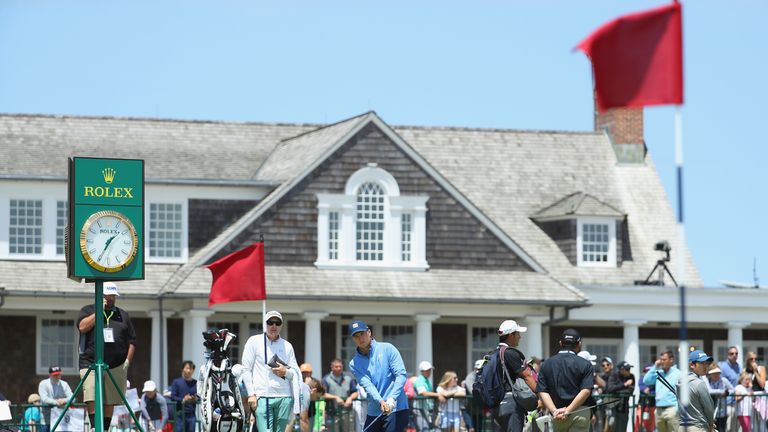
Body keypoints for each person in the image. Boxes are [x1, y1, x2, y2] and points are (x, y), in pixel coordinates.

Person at [76, 281, 136, 432]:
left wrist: (127, 361)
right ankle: (95, 427)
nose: (110, 299)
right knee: (91, 394)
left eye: (113, 296)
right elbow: (82, 327)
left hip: (116, 364)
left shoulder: (123, 315)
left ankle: (106, 428)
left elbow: (132, 341)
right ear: (100, 295)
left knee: (110, 398)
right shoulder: (87, 310)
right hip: (90, 362)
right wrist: (99, 310)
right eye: (107, 295)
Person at [241, 310, 301, 432]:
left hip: (284, 396)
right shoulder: (254, 341)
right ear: (265, 324)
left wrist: (285, 372)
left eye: (277, 323)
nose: (274, 326)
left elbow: (295, 372)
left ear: (281, 326)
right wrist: (251, 394)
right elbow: (246, 369)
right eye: (270, 322)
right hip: (263, 396)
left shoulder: (287, 346)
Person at [347, 320, 408, 432]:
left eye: (362, 334)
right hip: (375, 410)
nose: (360, 338)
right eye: (356, 336)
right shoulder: (354, 363)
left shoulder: (387, 348)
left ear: (369, 332)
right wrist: (381, 401)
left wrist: (391, 398)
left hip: (396, 408)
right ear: (353, 339)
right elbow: (368, 385)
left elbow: (401, 375)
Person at [535, 328, 594, 432]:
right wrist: (568, 410)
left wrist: (554, 411)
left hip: (556, 414)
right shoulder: (586, 364)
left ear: (560, 343)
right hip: (579, 412)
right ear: (579, 343)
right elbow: (585, 391)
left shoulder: (546, 364)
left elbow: (542, 391)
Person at [492, 320, 537, 432]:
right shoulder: (510, 353)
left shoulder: (493, 353)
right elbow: (527, 376)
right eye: (518, 334)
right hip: (511, 403)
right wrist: (541, 395)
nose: (520, 337)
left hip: (497, 404)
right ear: (511, 335)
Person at [641, 350, 681, 432]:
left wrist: (677, 409)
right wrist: (654, 366)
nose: (662, 362)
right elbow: (646, 381)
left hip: (672, 408)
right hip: (658, 410)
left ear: (671, 360)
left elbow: (682, 392)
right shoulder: (658, 373)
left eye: (664, 360)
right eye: (661, 359)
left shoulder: (678, 374)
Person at [678, 350, 715, 432]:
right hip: (698, 427)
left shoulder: (680, 382)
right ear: (692, 364)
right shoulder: (699, 383)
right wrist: (711, 423)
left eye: (706, 363)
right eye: (702, 363)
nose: (705, 366)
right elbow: (709, 408)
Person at [322, 358, 358, 432]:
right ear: (332, 367)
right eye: (336, 366)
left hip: (347, 412)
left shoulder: (349, 378)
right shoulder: (326, 379)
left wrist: (350, 398)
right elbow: (323, 394)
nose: (339, 368)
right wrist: (335, 397)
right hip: (331, 412)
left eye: (340, 366)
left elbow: (355, 392)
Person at [38, 366, 74, 432]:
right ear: (50, 375)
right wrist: (57, 402)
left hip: (61, 419)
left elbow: (72, 397)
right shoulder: (43, 384)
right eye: (55, 375)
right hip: (46, 420)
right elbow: (44, 399)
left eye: (59, 374)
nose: (58, 377)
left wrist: (64, 400)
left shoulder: (64, 384)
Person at [604, 361, 635, 432]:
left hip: (624, 408)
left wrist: (617, 391)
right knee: (611, 427)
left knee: (623, 429)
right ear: (621, 370)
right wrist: (624, 385)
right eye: (627, 369)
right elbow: (610, 388)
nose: (629, 371)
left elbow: (630, 391)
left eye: (629, 369)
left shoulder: (631, 376)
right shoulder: (614, 375)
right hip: (613, 407)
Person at [413, 360, 443, 432]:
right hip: (419, 409)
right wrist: (438, 395)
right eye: (427, 370)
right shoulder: (419, 380)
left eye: (429, 370)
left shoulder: (427, 381)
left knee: (433, 429)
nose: (429, 372)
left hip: (427, 409)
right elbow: (423, 393)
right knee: (424, 429)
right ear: (422, 371)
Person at [169, 360, 197, 432]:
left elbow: (200, 396)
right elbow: (173, 396)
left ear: (193, 370)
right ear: (182, 369)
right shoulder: (176, 382)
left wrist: (195, 398)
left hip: (191, 414)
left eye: (190, 369)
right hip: (179, 414)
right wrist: (183, 399)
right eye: (187, 368)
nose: (188, 370)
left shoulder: (196, 383)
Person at [719, 347, 741, 432]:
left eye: (736, 353)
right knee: (728, 428)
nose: (734, 355)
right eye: (732, 353)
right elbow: (721, 383)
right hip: (727, 402)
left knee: (736, 428)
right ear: (728, 355)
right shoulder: (723, 367)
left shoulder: (738, 367)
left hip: (738, 402)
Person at [706, 366, 734, 432]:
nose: (716, 375)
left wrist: (727, 393)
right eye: (714, 373)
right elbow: (709, 391)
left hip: (722, 412)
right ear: (710, 374)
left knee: (722, 429)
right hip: (711, 413)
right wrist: (721, 392)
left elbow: (732, 389)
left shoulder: (724, 380)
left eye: (718, 373)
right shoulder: (707, 381)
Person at [461, 360, 483, 432]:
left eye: (481, 369)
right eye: (478, 369)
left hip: (478, 410)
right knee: (471, 429)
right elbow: (472, 391)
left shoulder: (485, 377)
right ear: (474, 368)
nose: (479, 371)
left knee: (478, 430)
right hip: (468, 410)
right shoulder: (470, 377)